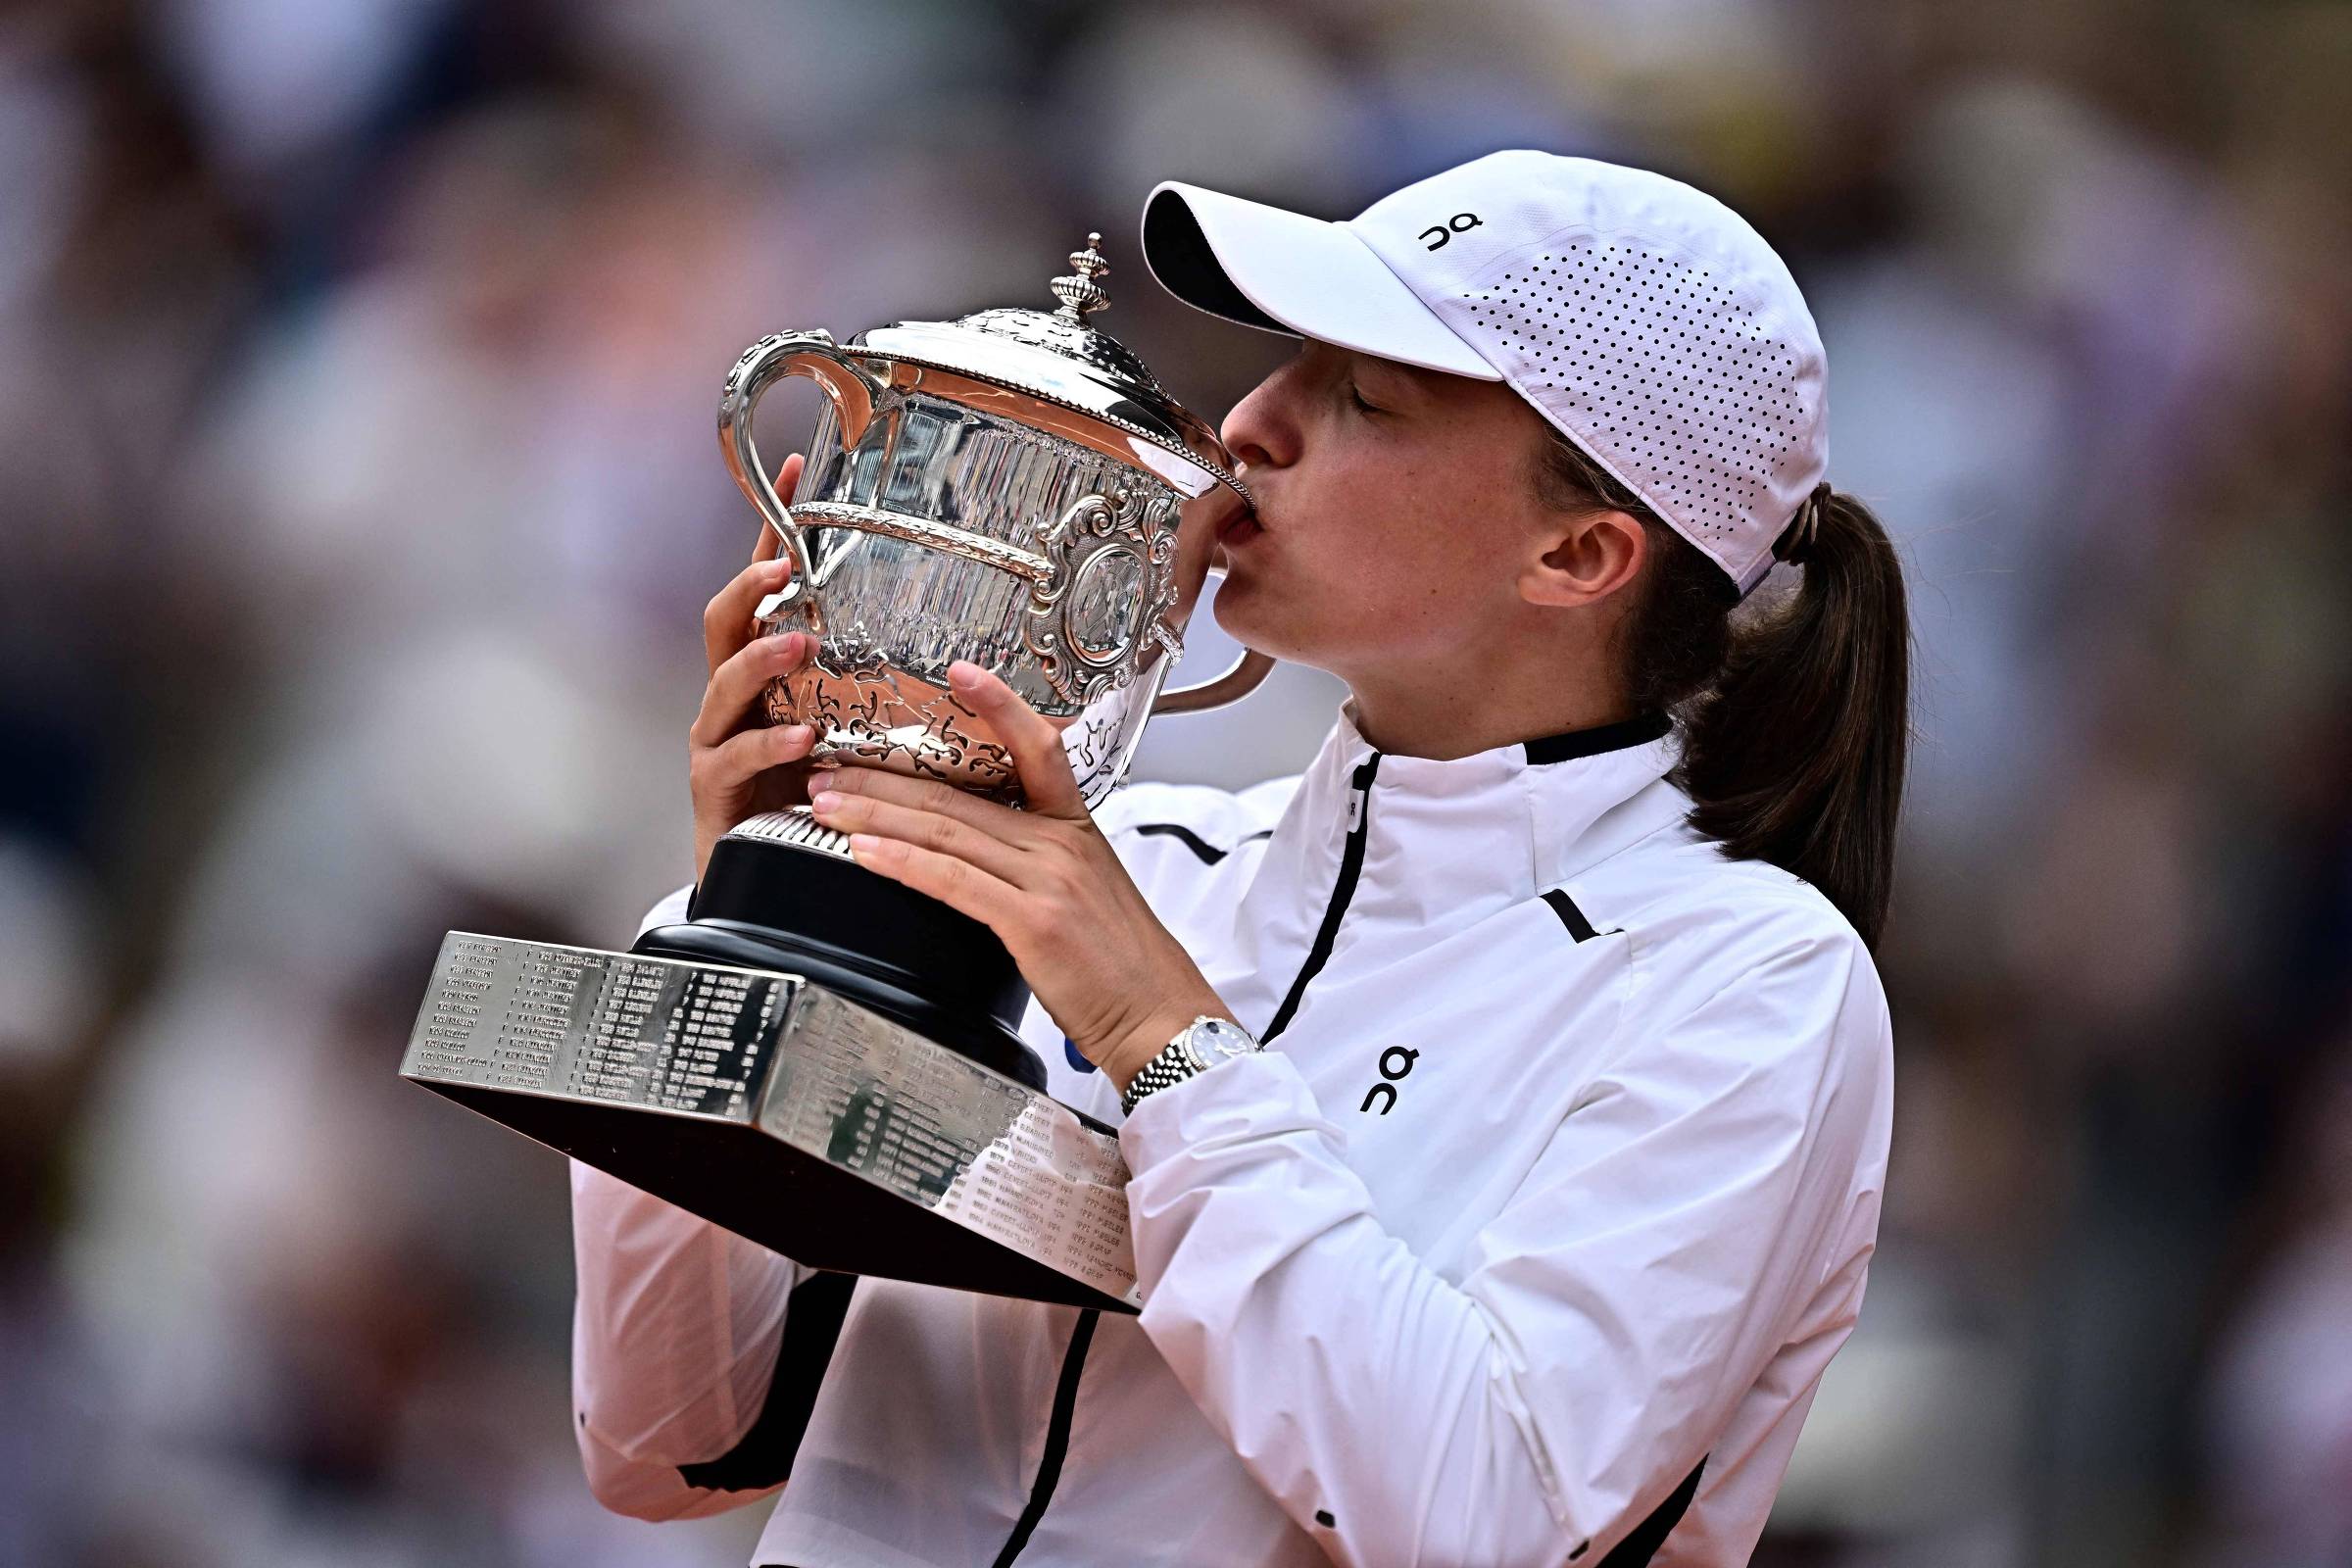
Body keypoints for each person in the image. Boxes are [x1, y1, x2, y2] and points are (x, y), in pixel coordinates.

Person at [570, 150, 1908, 1567]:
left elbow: (1491, 1514)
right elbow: (670, 1444)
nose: (1250, 425)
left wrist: (1168, 1046)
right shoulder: (1125, 863)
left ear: (1578, 556)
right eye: (1287, 367)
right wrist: (752, 936)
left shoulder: (1751, 983)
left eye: (1365, 398)